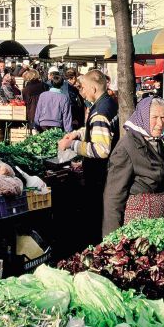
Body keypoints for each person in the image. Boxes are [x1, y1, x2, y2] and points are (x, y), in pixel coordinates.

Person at [58, 69, 119, 244]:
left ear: (93, 88)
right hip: (108, 171)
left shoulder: (100, 111)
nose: (81, 91)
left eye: (83, 87)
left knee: (95, 215)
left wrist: (73, 145)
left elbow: (101, 149)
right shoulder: (109, 103)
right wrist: (77, 134)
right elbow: (98, 130)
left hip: (100, 174)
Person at [102, 97, 164, 236]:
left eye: (163, 117)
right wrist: (112, 240)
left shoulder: (155, 142)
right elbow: (113, 197)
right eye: (154, 117)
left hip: (157, 229)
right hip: (139, 230)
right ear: (143, 117)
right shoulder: (127, 147)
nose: (160, 123)